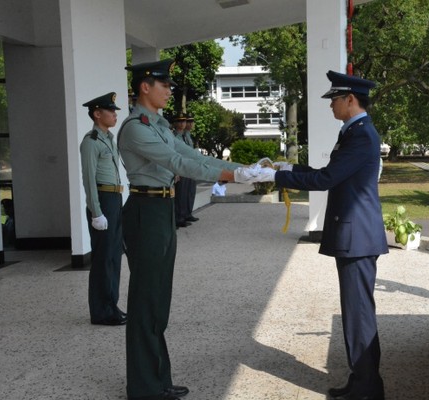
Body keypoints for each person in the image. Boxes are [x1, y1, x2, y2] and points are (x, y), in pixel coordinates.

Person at [118, 59, 259, 400]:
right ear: (145, 87)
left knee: (158, 300)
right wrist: (234, 177)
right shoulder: (136, 127)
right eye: (164, 85)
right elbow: (178, 164)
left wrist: (247, 169)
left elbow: (197, 157)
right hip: (145, 211)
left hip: (161, 209)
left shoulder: (159, 126)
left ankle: (157, 379)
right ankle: (143, 387)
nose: (169, 90)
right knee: (146, 300)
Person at [254, 70, 388, 400]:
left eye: (335, 99)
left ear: (350, 100)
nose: (331, 106)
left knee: (358, 315)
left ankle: (366, 389)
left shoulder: (360, 135)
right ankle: (366, 384)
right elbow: (327, 174)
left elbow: (325, 179)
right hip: (357, 235)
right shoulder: (356, 132)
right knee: (358, 313)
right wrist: (286, 170)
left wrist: (278, 176)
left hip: (357, 237)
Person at [80, 92, 126, 326]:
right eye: (110, 110)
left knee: (114, 257)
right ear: (97, 114)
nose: (114, 114)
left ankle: (112, 306)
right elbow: (88, 179)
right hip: (103, 200)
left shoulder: (109, 139)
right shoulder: (91, 141)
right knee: (103, 259)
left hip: (114, 198)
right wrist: (96, 212)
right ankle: (101, 312)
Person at [171, 114, 192, 228]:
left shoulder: (185, 136)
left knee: (186, 193)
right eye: (179, 121)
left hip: (187, 167)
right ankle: (178, 218)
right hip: (180, 168)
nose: (182, 123)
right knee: (179, 195)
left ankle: (183, 215)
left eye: (184, 121)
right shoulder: (173, 136)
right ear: (174, 123)